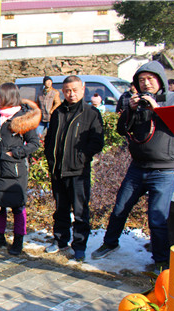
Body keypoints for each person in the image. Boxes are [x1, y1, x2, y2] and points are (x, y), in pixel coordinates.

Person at [92, 61, 174, 268]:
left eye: (150, 79)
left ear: (160, 80)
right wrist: (130, 111)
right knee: (119, 208)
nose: (146, 84)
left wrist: (158, 109)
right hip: (137, 167)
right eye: (142, 80)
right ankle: (110, 243)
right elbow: (121, 130)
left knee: (157, 219)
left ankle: (161, 262)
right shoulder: (136, 102)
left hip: (164, 169)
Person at [43, 75, 104, 261]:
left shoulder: (91, 113)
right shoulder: (58, 112)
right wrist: (51, 160)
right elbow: (50, 140)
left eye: (75, 90)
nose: (71, 94)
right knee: (60, 208)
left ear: (83, 89)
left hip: (78, 171)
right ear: (63, 91)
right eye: (67, 90)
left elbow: (97, 142)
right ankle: (60, 240)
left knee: (80, 211)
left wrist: (81, 158)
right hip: (58, 170)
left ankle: (79, 245)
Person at [0, 83, 41, 255]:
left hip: (14, 170)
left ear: (9, 97)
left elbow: (34, 144)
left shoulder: (23, 118)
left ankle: (18, 240)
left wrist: (15, 153)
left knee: (18, 207)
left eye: (0, 97)